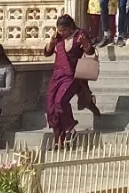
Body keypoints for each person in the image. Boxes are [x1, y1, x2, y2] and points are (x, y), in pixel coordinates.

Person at [43, 14, 100, 144]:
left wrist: (85, 44)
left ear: (70, 27)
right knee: (50, 106)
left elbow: (90, 52)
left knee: (60, 102)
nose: (62, 33)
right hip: (57, 74)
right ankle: (59, 137)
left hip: (72, 75)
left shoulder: (80, 34)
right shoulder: (57, 37)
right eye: (60, 30)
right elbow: (47, 53)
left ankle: (70, 128)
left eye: (64, 30)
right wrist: (51, 42)